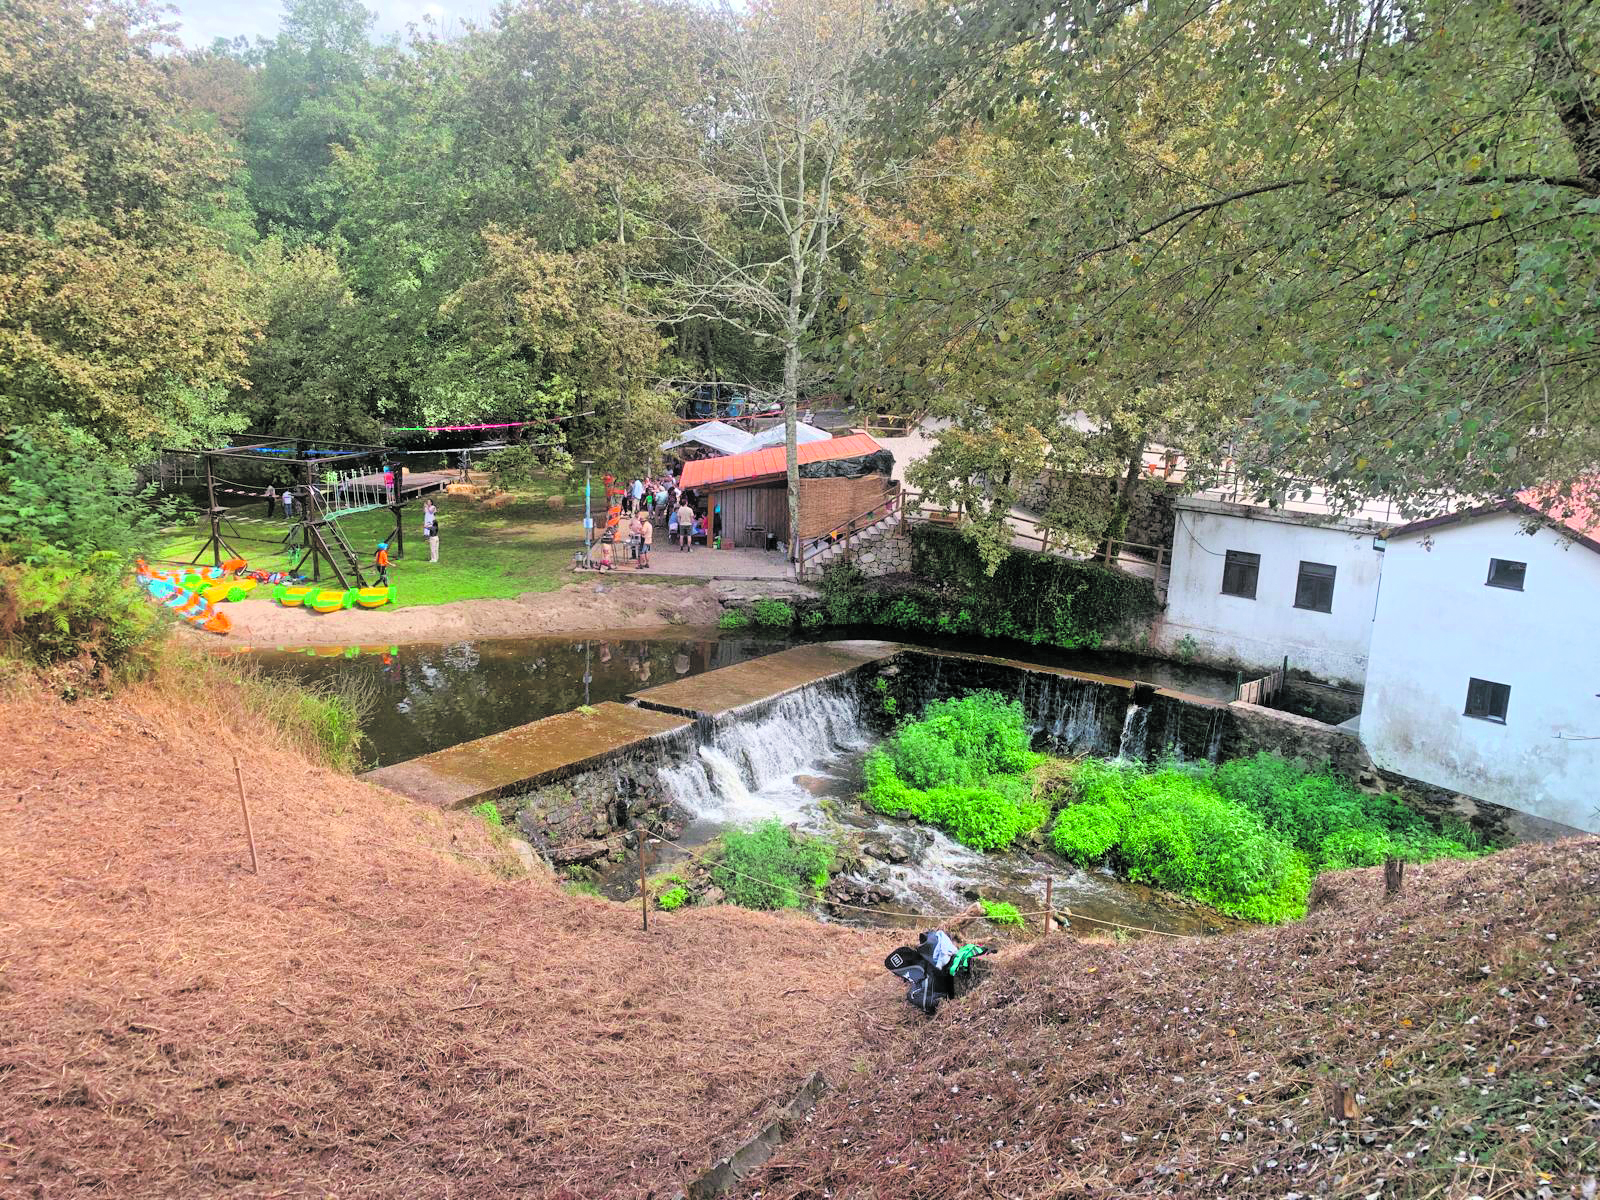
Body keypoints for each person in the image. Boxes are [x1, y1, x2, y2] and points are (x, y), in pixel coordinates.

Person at [423, 499, 439, 563]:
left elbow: (430, 511)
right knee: (436, 548)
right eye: (427, 502)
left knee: (433, 548)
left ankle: (434, 559)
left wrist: (427, 507)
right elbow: (424, 512)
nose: (428, 502)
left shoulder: (433, 507)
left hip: (433, 537)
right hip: (427, 519)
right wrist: (424, 507)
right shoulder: (436, 527)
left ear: (431, 502)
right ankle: (436, 558)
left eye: (429, 502)